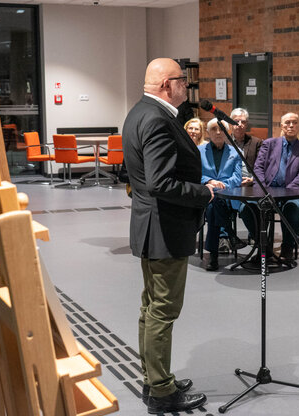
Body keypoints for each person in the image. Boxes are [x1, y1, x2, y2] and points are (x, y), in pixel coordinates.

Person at [122, 58, 212, 413]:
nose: (186, 85)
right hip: (165, 228)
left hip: (151, 225)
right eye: (182, 80)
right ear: (165, 84)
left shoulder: (139, 112)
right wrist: (204, 193)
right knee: (163, 310)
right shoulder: (158, 120)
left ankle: (154, 378)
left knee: (151, 308)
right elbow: (161, 183)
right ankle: (161, 392)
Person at [246, 112, 299, 262]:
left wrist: (286, 193)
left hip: (292, 193)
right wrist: (263, 190)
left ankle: (287, 247)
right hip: (267, 190)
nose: (291, 125)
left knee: (293, 208)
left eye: (294, 122)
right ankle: (262, 245)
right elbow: (258, 168)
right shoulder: (268, 144)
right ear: (281, 126)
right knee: (247, 207)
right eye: (287, 122)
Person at [199, 118, 242, 271]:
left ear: (228, 132)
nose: (218, 132)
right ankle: (230, 234)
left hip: (228, 196)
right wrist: (209, 181)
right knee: (213, 205)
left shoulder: (235, 152)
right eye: (214, 129)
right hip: (207, 195)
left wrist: (222, 185)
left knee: (213, 207)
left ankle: (214, 256)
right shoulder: (199, 151)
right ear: (208, 132)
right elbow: (195, 174)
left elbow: (237, 178)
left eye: (222, 129)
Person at [230, 108, 262, 186]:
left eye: (243, 122)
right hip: (229, 183)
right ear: (230, 123)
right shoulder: (224, 142)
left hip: (250, 184)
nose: (239, 124)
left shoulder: (256, 142)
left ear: (247, 124)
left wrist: (253, 180)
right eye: (236, 121)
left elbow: (261, 165)